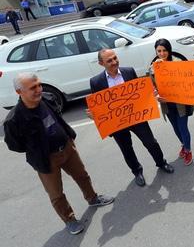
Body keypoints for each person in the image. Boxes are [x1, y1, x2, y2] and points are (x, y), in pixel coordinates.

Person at [3, 72, 114, 235]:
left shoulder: (47, 98)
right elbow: (15, 145)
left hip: (67, 148)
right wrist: (37, 149)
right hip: (45, 160)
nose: (38, 89)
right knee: (56, 194)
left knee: (82, 176)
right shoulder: (14, 120)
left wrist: (68, 138)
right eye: (32, 87)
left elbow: (58, 118)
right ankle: (69, 220)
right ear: (19, 92)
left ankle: (93, 198)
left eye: (39, 85)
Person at [89, 49, 174, 187]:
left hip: (137, 117)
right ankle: (137, 172)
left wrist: (151, 94)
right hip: (117, 124)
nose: (114, 62)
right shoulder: (96, 82)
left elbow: (140, 93)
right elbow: (99, 107)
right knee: (126, 149)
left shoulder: (129, 71)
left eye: (115, 58)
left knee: (150, 142)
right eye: (109, 60)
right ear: (101, 63)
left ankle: (161, 163)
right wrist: (94, 115)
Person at [150, 39, 194, 166]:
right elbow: (153, 86)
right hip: (167, 104)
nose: (162, 53)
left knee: (183, 127)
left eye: (164, 50)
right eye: (159, 51)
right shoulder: (153, 67)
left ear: (169, 51)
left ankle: (188, 150)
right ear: (156, 51)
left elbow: (186, 81)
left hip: (180, 104)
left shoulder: (177, 62)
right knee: (176, 128)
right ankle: (184, 144)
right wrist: (156, 95)